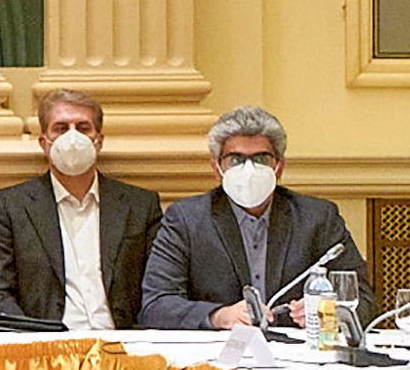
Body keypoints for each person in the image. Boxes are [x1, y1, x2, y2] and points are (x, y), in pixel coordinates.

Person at [138, 105, 364, 330]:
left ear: (279, 167)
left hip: (296, 353)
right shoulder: (187, 219)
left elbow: (363, 299)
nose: (249, 169)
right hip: (218, 353)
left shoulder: (317, 218)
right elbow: (156, 306)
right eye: (235, 160)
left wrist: (329, 312)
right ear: (217, 169)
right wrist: (219, 316)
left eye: (261, 159)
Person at [0, 89, 162, 329]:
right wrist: (31, 341)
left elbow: (159, 290)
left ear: (99, 141)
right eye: (61, 128)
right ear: (44, 143)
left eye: (83, 128)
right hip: (45, 348)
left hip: (122, 346)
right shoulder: (9, 207)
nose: (73, 138)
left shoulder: (140, 206)